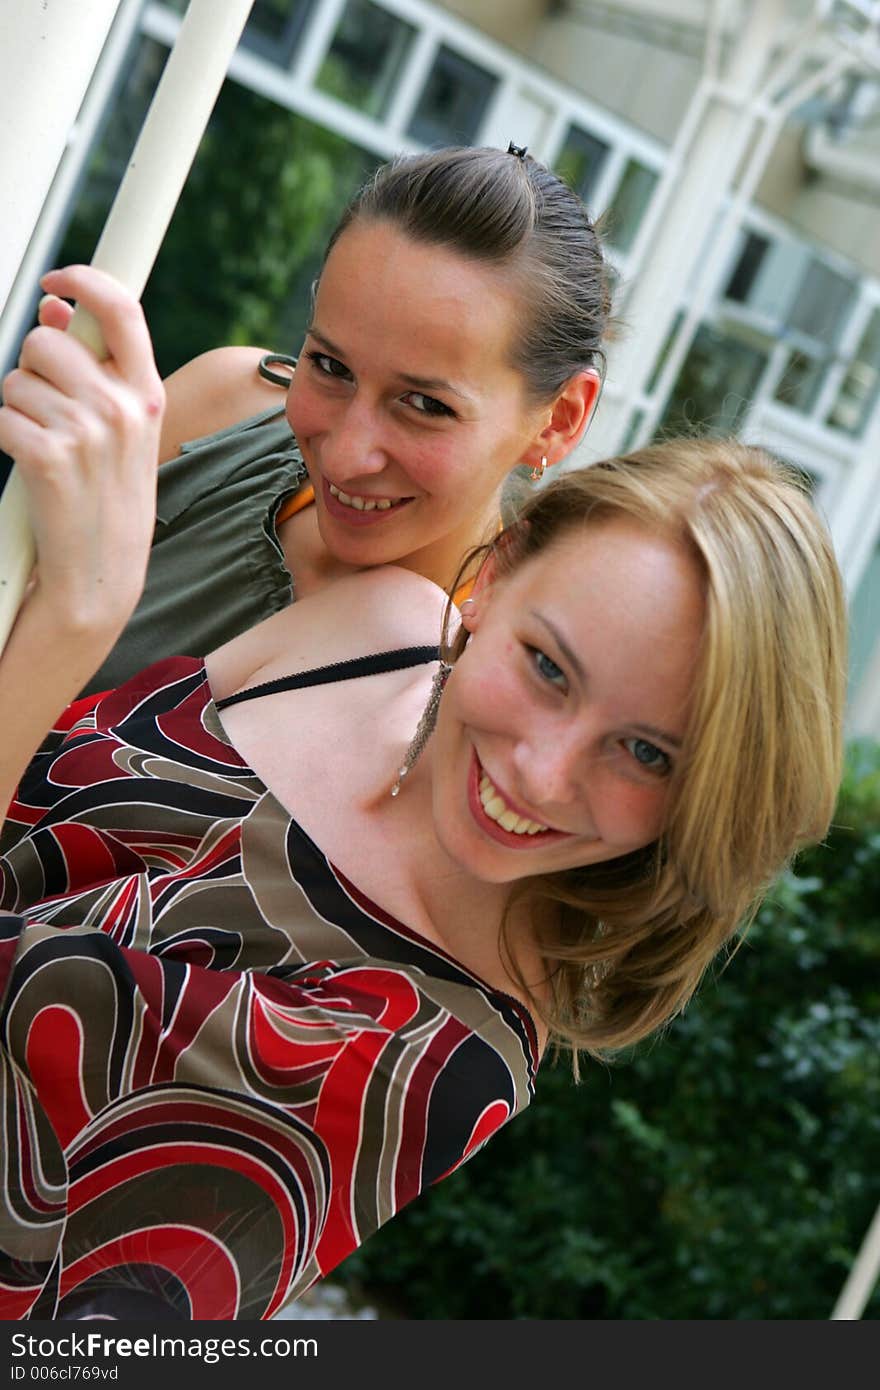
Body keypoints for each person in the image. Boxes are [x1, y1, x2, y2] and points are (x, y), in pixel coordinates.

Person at [0, 270, 845, 1321]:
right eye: (546, 668)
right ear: (492, 576)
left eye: (646, 753)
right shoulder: (367, 628)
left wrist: (77, 619)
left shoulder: (429, 1052)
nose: (541, 773)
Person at [35, 143, 609, 696]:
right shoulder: (224, 407)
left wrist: (76, 614)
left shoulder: (480, 691)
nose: (342, 456)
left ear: (558, 420)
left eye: (427, 406)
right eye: (330, 366)